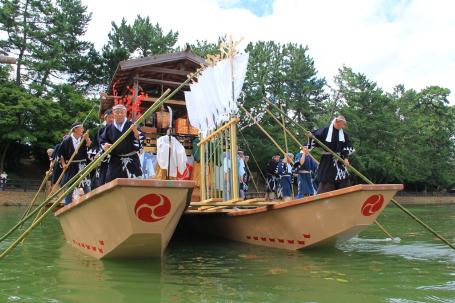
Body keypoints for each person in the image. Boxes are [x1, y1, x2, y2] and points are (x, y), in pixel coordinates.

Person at [307, 115, 355, 194]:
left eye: (343, 124)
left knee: (343, 179)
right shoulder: (326, 130)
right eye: (342, 124)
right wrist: (311, 136)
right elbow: (315, 136)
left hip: (339, 160)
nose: (343, 126)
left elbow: (346, 146)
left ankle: (344, 197)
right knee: (327, 180)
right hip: (327, 160)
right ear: (337, 122)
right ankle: (323, 199)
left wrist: (346, 158)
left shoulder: (344, 134)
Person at [100, 104, 143, 182]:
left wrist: (135, 132)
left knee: (135, 183)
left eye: (122, 112)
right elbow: (103, 141)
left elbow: (140, 140)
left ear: (125, 113)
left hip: (132, 159)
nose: (120, 114)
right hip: (116, 160)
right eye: (117, 112)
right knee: (112, 183)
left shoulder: (132, 125)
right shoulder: (109, 128)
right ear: (113, 114)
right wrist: (105, 146)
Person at [59, 123, 92, 204]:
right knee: (69, 188)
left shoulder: (84, 139)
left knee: (87, 187)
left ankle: (91, 204)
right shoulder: (66, 141)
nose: (83, 130)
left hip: (82, 165)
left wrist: (87, 139)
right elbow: (61, 154)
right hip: (71, 166)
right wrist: (63, 164)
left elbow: (90, 147)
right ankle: (68, 206)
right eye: (81, 128)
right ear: (75, 129)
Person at [89, 109, 114, 188]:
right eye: (110, 117)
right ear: (105, 119)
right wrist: (97, 153)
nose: (111, 119)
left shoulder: (118, 129)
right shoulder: (101, 131)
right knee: (102, 181)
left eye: (113, 117)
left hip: (116, 159)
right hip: (104, 159)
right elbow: (96, 145)